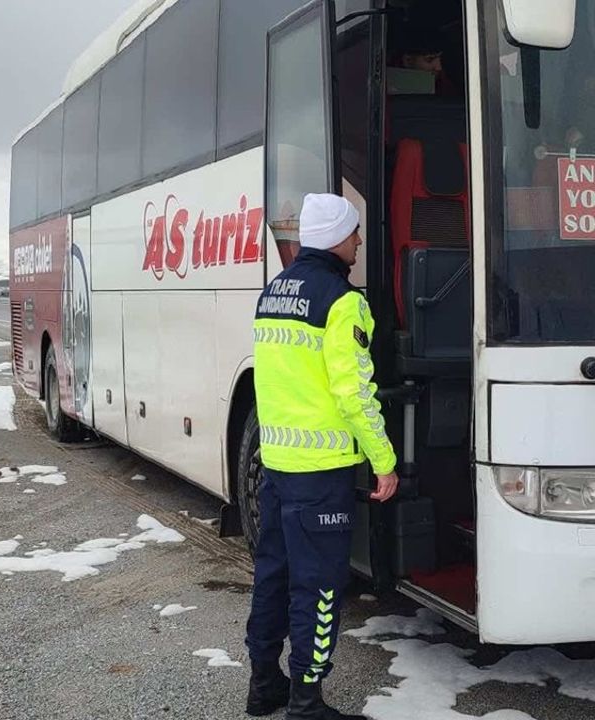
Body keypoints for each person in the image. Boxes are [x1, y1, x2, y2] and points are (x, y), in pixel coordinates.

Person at [244, 193, 400, 720]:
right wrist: (383, 459)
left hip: (277, 466)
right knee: (319, 586)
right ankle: (306, 702)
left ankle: (264, 683)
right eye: (354, 233)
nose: (359, 242)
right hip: (321, 473)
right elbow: (355, 393)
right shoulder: (342, 300)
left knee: (272, 574)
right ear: (337, 236)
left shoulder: (274, 292)